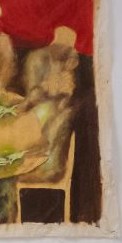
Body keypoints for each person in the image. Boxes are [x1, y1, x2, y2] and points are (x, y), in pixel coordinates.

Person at [20, 25, 80, 182]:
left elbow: (68, 93)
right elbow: (32, 95)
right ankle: (44, 166)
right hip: (35, 107)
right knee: (52, 113)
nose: (69, 54)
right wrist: (48, 86)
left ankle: (51, 168)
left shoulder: (66, 61)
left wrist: (65, 95)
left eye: (69, 50)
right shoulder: (37, 59)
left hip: (57, 108)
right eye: (65, 49)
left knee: (64, 115)